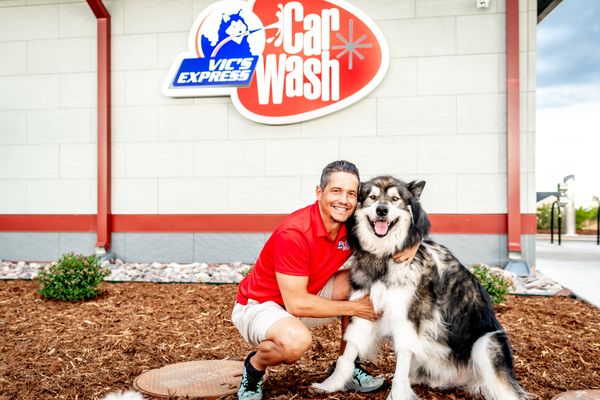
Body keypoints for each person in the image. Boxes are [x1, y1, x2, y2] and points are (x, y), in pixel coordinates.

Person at [231, 160, 419, 400]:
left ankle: (346, 367)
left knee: (364, 285)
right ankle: (254, 369)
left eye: (351, 194)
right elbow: (296, 305)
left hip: (308, 293)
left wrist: (414, 243)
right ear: (319, 192)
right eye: (336, 191)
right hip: (261, 305)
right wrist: (354, 308)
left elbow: (396, 228)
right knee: (296, 341)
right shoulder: (295, 233)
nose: (343, 200)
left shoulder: (353, 222)